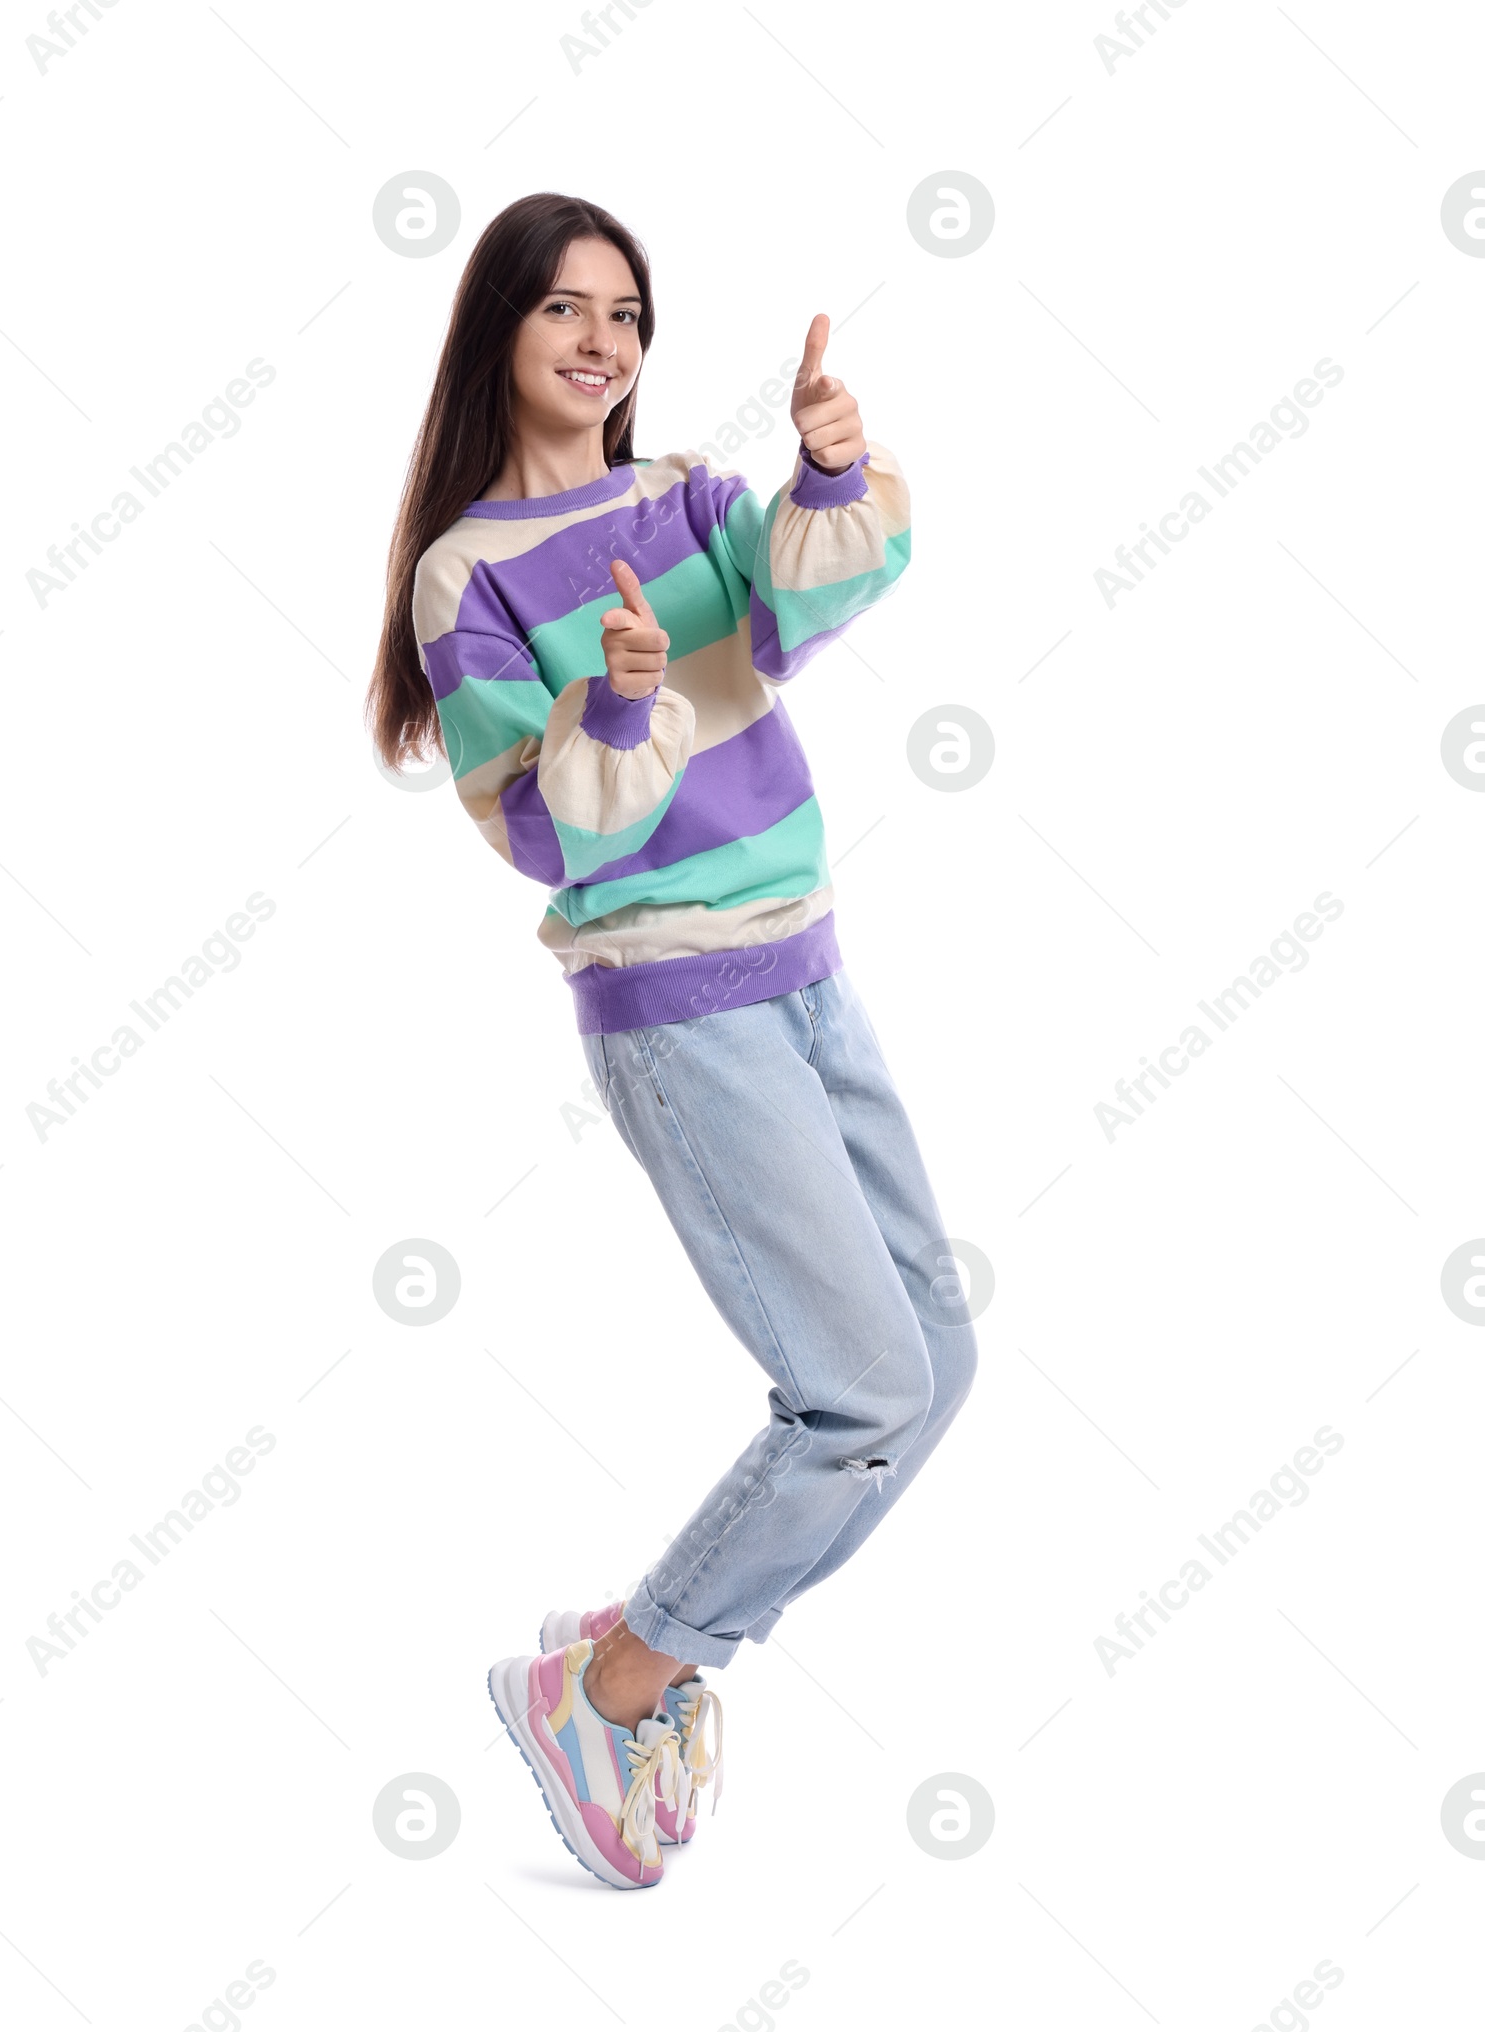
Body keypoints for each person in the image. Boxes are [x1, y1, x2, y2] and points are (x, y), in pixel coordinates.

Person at [366, 191, 979, 1891]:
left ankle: (633, 1657)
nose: (600, 341)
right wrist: (620, 697)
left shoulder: (693, 501)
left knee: (937, 1356)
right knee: (859, 1389)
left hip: (806, 964)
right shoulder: (463, 576)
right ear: (499, 328)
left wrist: (833, 471)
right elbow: (549, 829)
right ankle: (620, 1681)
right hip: (677, 1008)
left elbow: (795, 604)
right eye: (565, 308)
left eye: (626, 317)